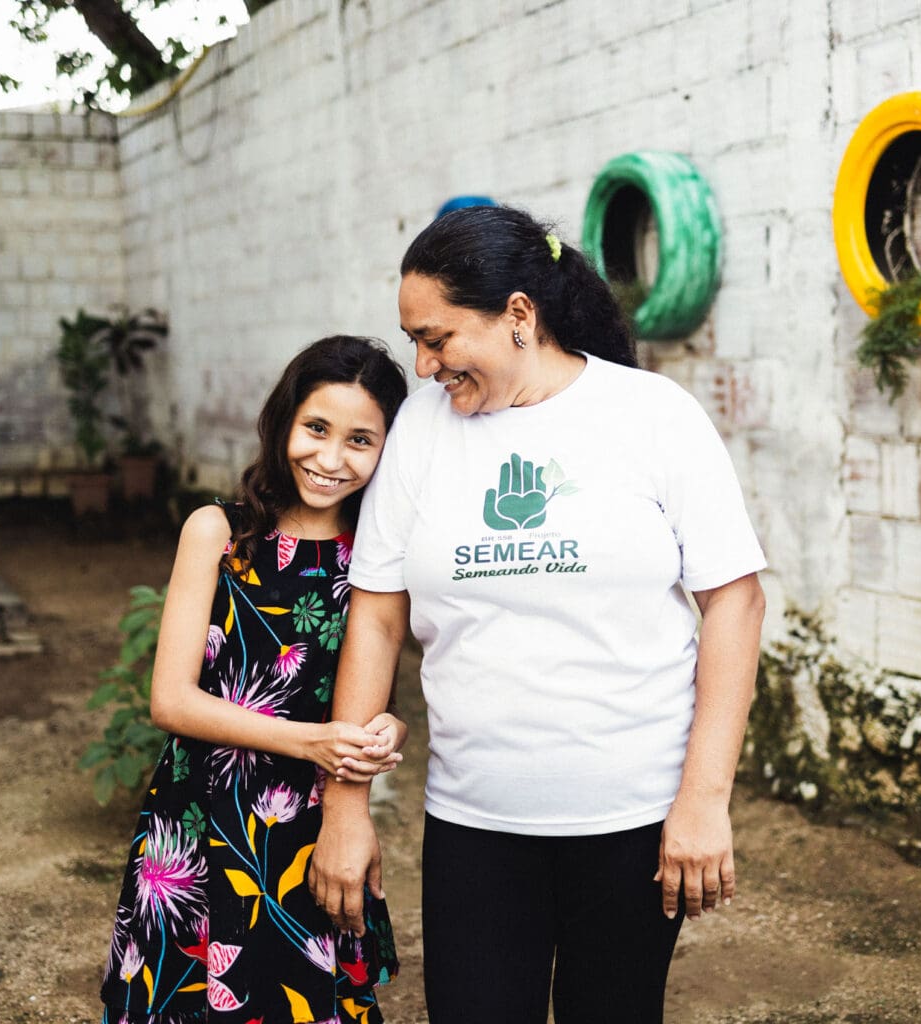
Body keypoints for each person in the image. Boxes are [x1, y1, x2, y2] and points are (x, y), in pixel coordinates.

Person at [308, 207, 767, 1023]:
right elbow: (375, 617)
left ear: (519, 315)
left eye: (438, 338)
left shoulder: (653, 415)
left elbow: (733, 600)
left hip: (634, 822)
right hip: (474, 823)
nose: (422, 364)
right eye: (413, 339)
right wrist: (346, 807)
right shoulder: (420, 430)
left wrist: (704, 797)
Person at [99, 335, 409, 1024]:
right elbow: (170, 699)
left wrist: (389, 727)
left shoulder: (380, 556)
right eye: (317, 428)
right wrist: (312, 743)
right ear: (284, 422)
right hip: (203, 813)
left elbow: (374, 690)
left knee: (302, 1001)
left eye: (361, 439)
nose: (331, 459)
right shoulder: (217, 532)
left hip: (313, 823)